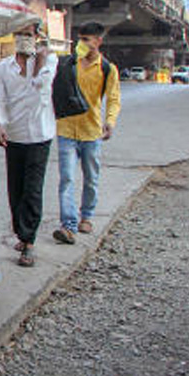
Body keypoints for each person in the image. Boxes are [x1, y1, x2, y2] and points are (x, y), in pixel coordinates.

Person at [0, 23, 56, 267]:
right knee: (15, 189)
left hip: (39, 135)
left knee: (32, 190)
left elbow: (41, 88)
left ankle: (28, 242)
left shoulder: (49, 61)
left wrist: (38, 61)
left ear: (37, 37)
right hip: (14, 136)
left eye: (28, 34)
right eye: (19, 34)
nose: (23, 39)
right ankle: (21, 232)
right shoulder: (4, 68)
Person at [52, 22, 121, 245]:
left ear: (98, 42)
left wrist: (109, 122)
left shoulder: (107, 69)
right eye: (79, 39)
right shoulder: (68, 64)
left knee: (91, 178)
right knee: (67, 179)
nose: (81, 44)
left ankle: (87, 216)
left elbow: (113, 98)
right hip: (66, 130)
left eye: (86, 40)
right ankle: (68, 226)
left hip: (92, 132)